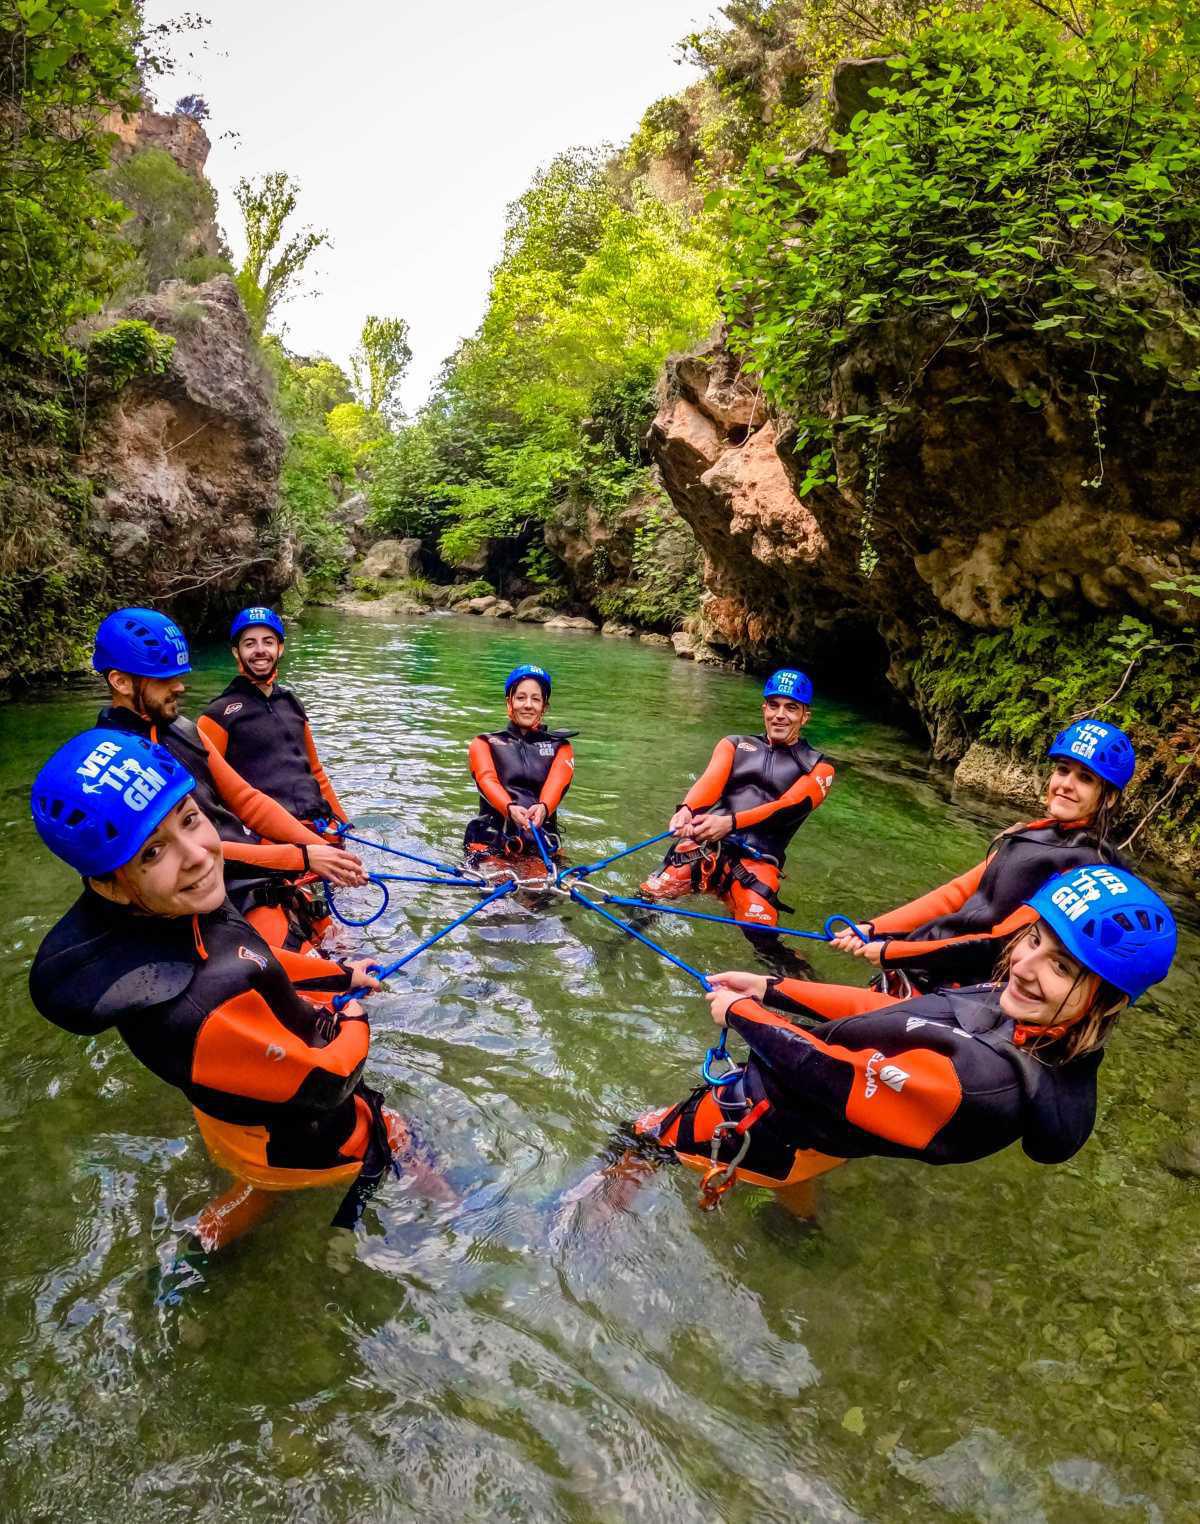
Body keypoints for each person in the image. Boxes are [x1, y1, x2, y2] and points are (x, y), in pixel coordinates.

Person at [26, 729, 420, 1250]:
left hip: (241, 1123)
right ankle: (449, 1209)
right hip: (302, 1144)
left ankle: (198, 1252)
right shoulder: (194, 1004)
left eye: (190, 819)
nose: (198, 855)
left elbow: (252, 957)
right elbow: (331, 1080)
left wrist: (341, 976)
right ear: (108, 884)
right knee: (406, 1144)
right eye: (152, 852)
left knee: (254, 1186)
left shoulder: (173, 914)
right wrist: (352, 1020)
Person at [634, 863, 1175, 1214]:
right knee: (798, 1162)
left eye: (1060, 966)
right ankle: (797, 1230)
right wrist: (771, 988)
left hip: (761, 1120)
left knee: (636, 1144)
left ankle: (586, 1227)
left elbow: (829, 1075)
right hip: (818, 1135)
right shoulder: (1028, 1017)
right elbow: (900, 1015)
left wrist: (744, 1015)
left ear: (1108, 1001)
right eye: (1033, 941)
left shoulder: (986, 1086)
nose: (1024, 968)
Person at [91, 607, 364, 950]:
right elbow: (189, 852)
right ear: (120, 681)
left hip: (256, 870)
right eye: (164, 679)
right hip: (221, 889)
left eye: (178, 675)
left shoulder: (183, 730)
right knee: (336, 978)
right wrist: (303, 857)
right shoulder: (118, 765)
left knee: (346, 946)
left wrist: (323, 850)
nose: (180, 687)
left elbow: (247, 800)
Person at [827, 719, 1136, 996]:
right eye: (1063, 770)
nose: (1066, 784)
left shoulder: (1086, 868)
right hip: (924, 968)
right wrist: (873, 928)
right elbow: (955, 895)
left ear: (1108, 797)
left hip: (961, 993)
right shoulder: (1034, 832)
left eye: (1085, 778)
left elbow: (998, 941)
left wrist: (894, 952)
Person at [639, 668, 835, 968]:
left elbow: (787, 806)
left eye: (791, 708)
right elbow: (710, 782)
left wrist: (730, 823)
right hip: (706, 847)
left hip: (757, 861)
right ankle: (610, 953)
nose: (780, 715)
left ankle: (803, 988)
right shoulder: (734, 744)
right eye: (773, 706)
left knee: (763, 939)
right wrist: (687, 809)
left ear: (804, 716)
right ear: (764, 709)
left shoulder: (819, 767)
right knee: (643, 902)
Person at [197, 606, 348, 829]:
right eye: (250, 644)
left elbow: (316, 772)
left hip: (321, 824)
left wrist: (346, 825)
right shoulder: (218, 715)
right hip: (270, 835)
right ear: (236, 652)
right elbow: (204, 791)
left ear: (280, 648)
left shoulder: (292, 703)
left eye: (268, 642)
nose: (260, 650)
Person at [464, 664, 575, 875]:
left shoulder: (561, 747)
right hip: (490, 842)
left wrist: (543, 808)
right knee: (498, 892)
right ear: (509, 702)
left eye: (536, 699)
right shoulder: (483, 743)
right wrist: (509, 809)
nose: (528, 705)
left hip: (540, 844)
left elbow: (557, 782)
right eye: (521, 698)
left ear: (544, 706)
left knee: (552, 894)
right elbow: (487, 779)